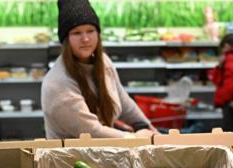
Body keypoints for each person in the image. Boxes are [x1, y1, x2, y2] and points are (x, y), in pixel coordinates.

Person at [41, 0, 158, 139]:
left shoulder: (103, 62)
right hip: (71, 158)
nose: (85, 39)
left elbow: (124, 102)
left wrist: (151, 131)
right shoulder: (57, 83)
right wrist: (136, 138)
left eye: (90, 31)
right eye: (77, 33)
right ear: (66, 39)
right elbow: (91, 132)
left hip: (103, 152)